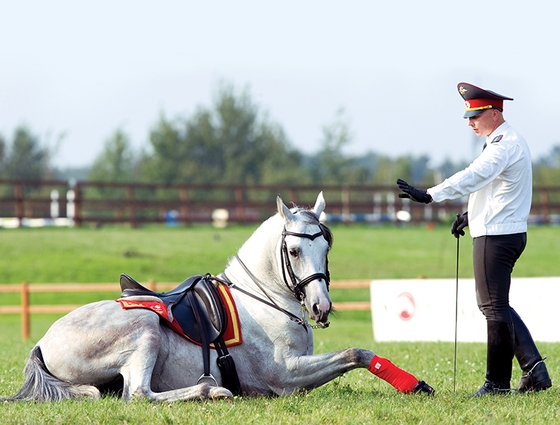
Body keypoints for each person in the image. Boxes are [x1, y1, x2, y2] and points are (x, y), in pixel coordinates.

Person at [396, 82, 551, 396]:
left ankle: (497, 383)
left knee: (493, 308)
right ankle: (534, 369)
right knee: (498, 305)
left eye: (475, 116)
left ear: (494, 114)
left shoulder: (503, 145)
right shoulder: (507, 142)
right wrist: (470, 216)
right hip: (503, 231)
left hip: (496, 236)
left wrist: (430, 195)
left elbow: (474, 175)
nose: (470, 122)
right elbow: (498, 192)